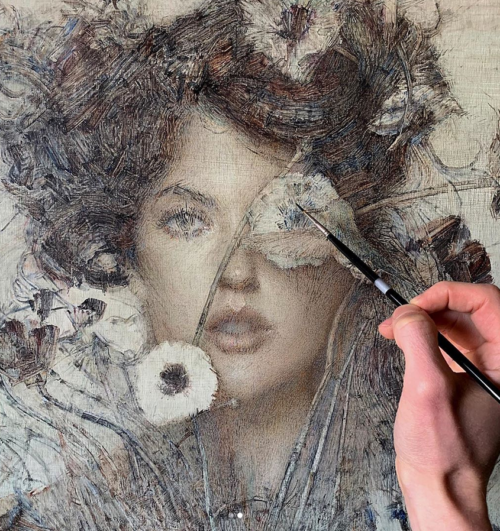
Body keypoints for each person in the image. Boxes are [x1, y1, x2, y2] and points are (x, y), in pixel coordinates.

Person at [0, 0, 498, 529]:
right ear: (127, 244)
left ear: (352, 254)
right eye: (187, 220)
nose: (237, 273)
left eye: (286, 219)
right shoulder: (61, 514)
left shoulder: (424, 485)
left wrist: (444, 490)